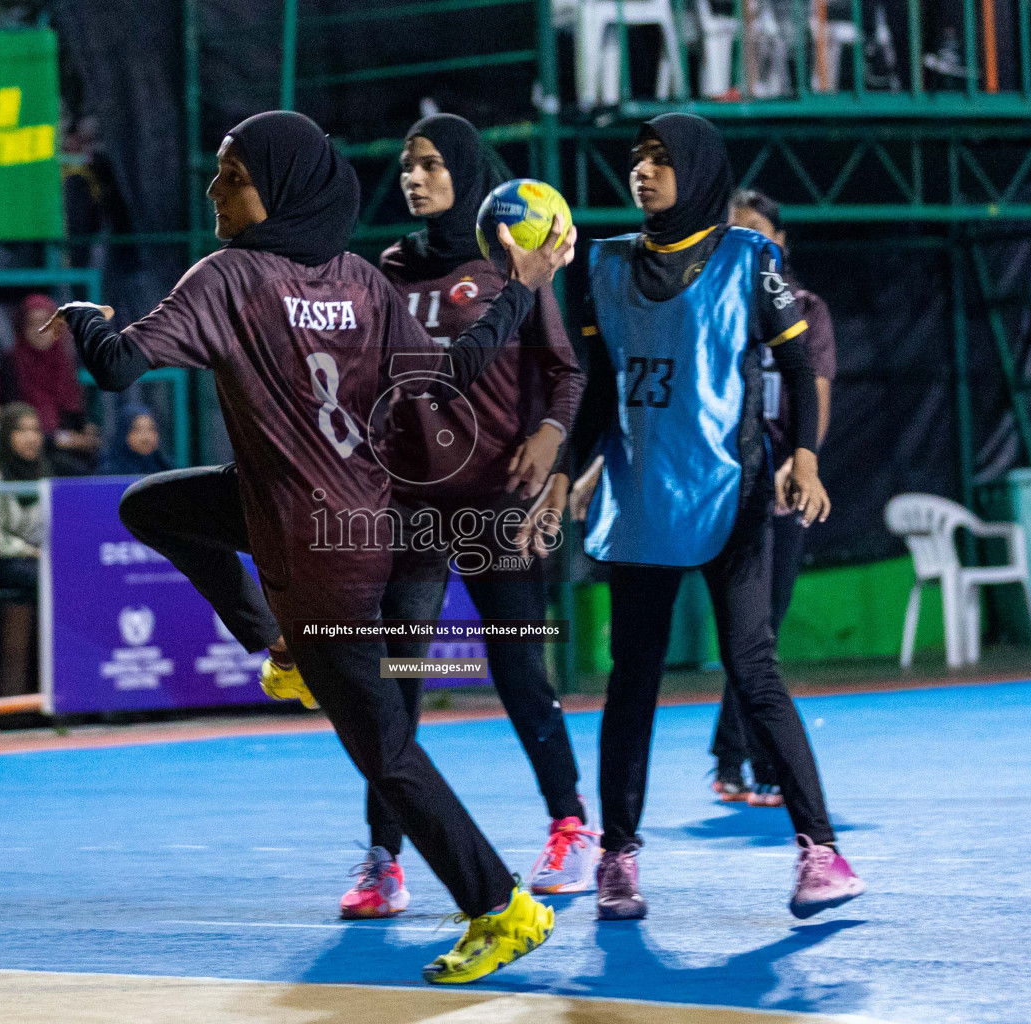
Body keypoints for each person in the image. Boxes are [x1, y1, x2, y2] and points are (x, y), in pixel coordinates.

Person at [51, 110, 574, 985]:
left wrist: (84, 321)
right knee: (154, 506)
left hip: (309, 551)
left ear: (279, 188)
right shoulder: (362, 281)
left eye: (233, 176)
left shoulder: (230, 279)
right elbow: (449, 374)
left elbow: (116, 368)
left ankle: (502, 907)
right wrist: (517, 291)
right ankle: (279, 648)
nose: (216, 189)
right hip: (359, 519)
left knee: (387, 753)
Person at [567, 113, 863, 922]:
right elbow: (601, 389)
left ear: (697, 172)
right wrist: (568, 472)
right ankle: (617, 858)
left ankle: (821, 851)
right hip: (639, 502)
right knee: (632, 684)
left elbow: (799, 367)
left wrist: (803, 460)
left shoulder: (749, 261)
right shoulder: (604, 266)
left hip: (732, 496)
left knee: (753, 668)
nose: (644, 172)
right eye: (638, 160)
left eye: (662, 160)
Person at [335, 113, 593, 922]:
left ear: (468, 171)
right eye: (408, 165)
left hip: (494, 504)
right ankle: (384, 859)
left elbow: (566, 374)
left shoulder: (509, 263)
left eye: (431, 165)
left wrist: (550, 439)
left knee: (518, 669)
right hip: (411, 504)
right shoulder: (388, 270)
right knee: (396, 682)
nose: (414, 178)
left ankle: (570, 827)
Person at [709, 189, 839, 808]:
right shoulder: (714, 305)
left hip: (775, 488)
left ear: (780, 243)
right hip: (712, 485)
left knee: (761, 630)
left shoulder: (807, 310)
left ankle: (738, 757)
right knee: (745, 634)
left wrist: (796, 468)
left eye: (759, 232)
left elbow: (814, 401)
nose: (748, 243)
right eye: (736, 232)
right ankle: (744, 761)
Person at [0, 402, 48, 697]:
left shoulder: (44, 475)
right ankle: (14, 699)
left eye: (35, 430)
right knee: (46, 579)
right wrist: (32, 552)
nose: (30, 438)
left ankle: (48, 694)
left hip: (31, 564)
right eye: (21, 431)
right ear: (6, 436)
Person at [1, 294, 99, 475]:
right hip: (32, 447)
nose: (41, 329)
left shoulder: (64, 362)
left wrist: (86, 430)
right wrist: (60, 439)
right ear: (21, 328)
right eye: (33, 323)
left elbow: (75, 413)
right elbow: (11, 420)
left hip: (68, 447)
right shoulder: (12, 363)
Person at [99, 402, 173, 476]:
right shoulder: (108, 472)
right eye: (137, 430)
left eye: (151, 429)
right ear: (123, 434)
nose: (146, 438)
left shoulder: (166, 469)